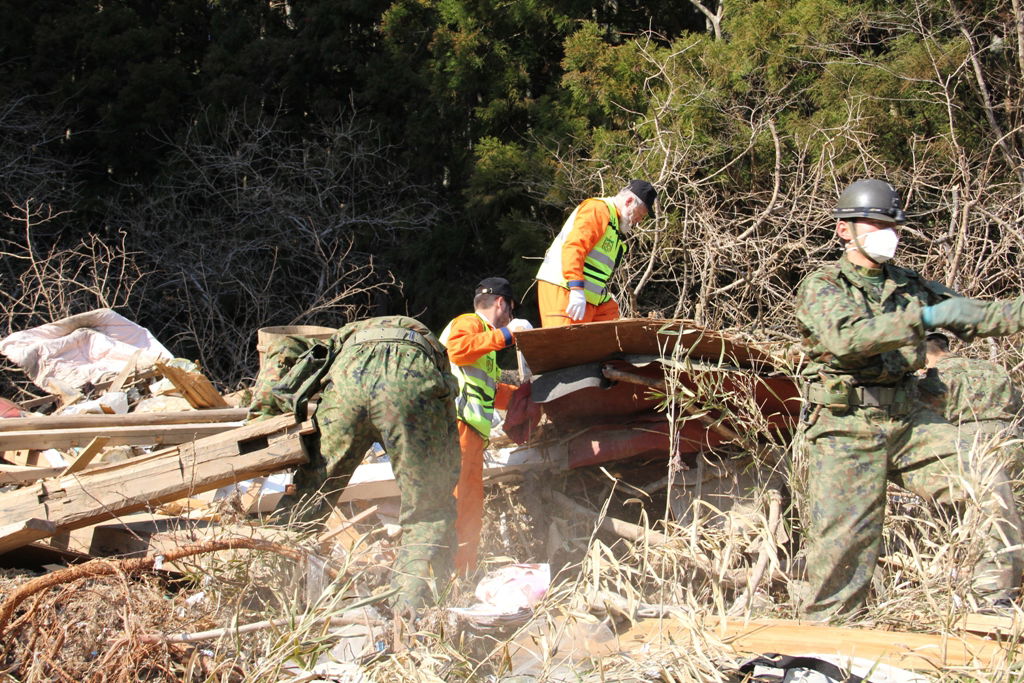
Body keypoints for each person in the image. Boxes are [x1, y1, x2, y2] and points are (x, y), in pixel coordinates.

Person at [794, 178, 1024, 620]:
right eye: (877, 224)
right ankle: (826, 634)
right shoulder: (823, 285)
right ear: (844, 229)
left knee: (983, 480)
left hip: (908, 417)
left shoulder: (908, 284)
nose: (888, 234)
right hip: (846, 425)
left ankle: (989, 605)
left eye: (893, 226)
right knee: (843, 547)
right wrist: (926, 317)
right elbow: (847, 338)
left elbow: (979, 315)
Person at [249, 316, 460, 611]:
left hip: (348, 382)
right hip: (410, 382)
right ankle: (412, 612)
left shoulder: (341, 338)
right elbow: (447, 412)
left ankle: (262, 594)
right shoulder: (433, 348)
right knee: (427, 512)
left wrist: (261, 418)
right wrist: (442, 478)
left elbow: (284, 347)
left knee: (308, 499)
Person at [439, 277, 532, 573]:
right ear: (502, 303)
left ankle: (462, 575)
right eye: (511, 310)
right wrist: (507, 335)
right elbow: (456, 349)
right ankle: (448, 576)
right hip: (456, 428)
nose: (511, 317)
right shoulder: (469, 323)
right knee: (458, 505)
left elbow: (488, 390)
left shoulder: (485, 345)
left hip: (470, 434)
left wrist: (524, 397)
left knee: (469, 507)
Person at [535, 179, 657, 327]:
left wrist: (602, 297)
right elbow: (574, 248)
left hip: (584, 294)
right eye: (640, 214)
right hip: (563, 288)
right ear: (629, 201)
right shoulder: (598, 210)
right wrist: (576, 289)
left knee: (609, 327)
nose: (639, 221)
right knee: (564, 339)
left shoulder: (614, 223)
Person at [920, 332, 1023, 475]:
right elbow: (1019, 411)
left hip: (971, 453)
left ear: (922, 355)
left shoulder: (934, 377)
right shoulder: (995, 368)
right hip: (1012, 447)